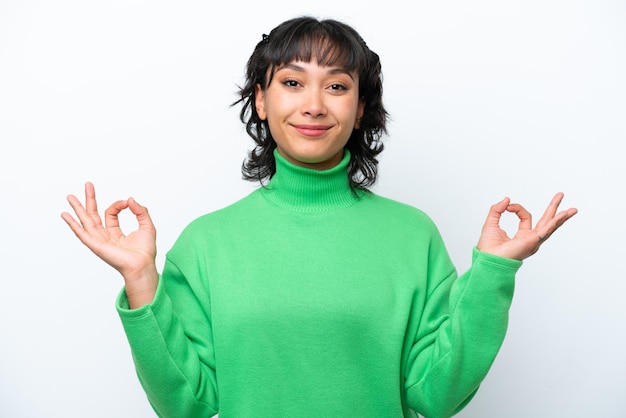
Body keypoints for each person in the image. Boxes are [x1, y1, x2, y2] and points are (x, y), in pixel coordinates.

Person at [61, 16, 577, 418]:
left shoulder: (411, 234)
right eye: (292, 83)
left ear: (359, 107)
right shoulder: (206, 242)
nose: (314, 105)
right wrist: (139, 279)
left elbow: (437, 396)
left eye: (336, 86)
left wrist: (491, 275)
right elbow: (186, 405)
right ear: (261, 101)